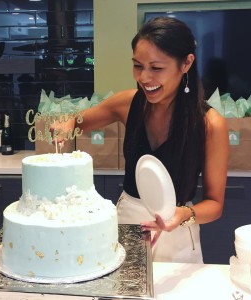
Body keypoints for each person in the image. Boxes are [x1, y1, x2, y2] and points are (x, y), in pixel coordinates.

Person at [54, 17, 229, 263]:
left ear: (186, 63)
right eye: (138, 66)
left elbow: (214, 204)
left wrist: (181, 215)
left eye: (156, 68)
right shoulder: (127, 103)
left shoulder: (210, 124)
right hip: (127, 222)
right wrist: (65, 123)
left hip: (177, 229)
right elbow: (76, 121)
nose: (144, 78)